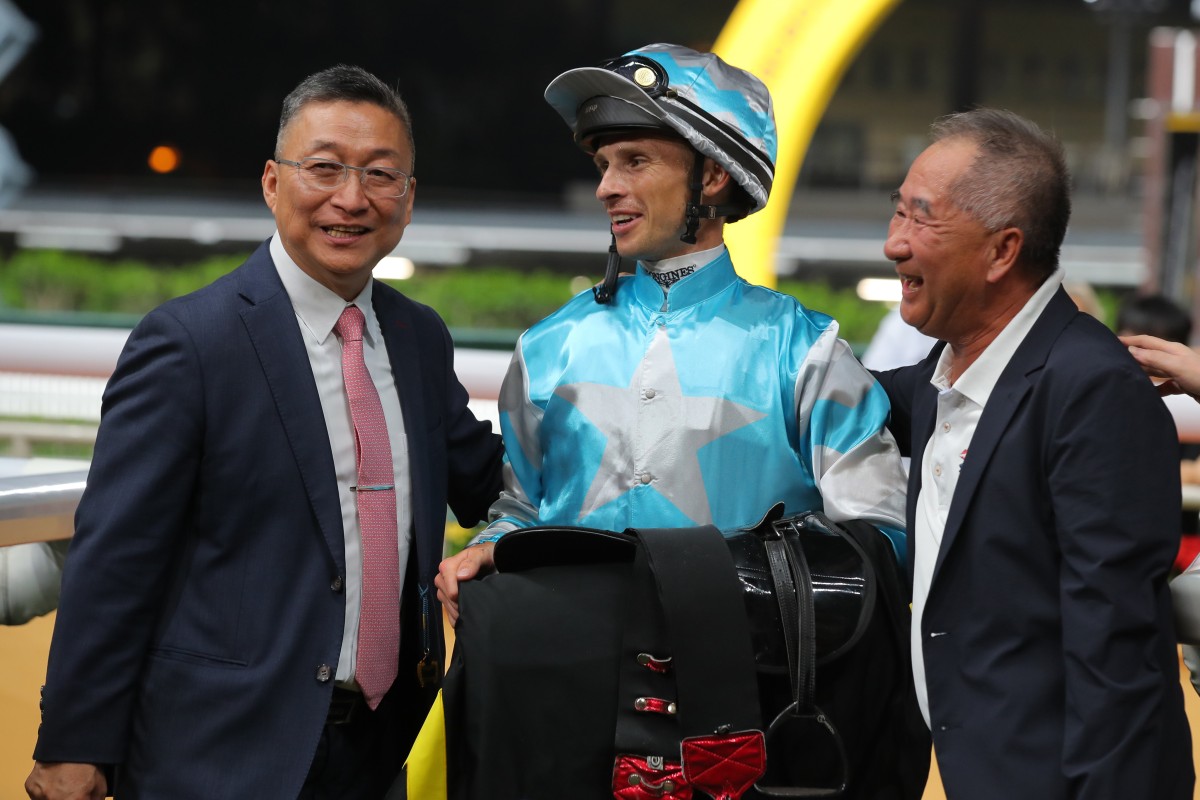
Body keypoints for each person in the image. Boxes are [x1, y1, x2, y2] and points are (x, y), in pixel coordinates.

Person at [24, 65, 503, 800]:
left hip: (380, 747)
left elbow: (487, 483)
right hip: (218, 751)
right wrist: (74, 745)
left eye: (381, 175)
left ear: (408, 201)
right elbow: (115, 559)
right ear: (273, 183)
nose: (351, 198)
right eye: (324, 169)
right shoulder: (189, 343)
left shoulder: (416, 337)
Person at [437, 43, 908, 613]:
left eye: (635, 161)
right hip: (574, 683)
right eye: (603, 165)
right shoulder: (546, 346)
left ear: (711, 175)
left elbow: (882, 542)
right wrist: (490, 544)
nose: (606, 187)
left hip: (747, 689)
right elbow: (522, 508)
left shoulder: (809, 351)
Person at [871, 107, 1193, 799]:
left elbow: (1115, 651)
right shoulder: (946, 374)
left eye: (920, 217)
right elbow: (848, 393)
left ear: (1001, 251)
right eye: (898, 212)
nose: (894, 242)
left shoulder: (1091, 387)